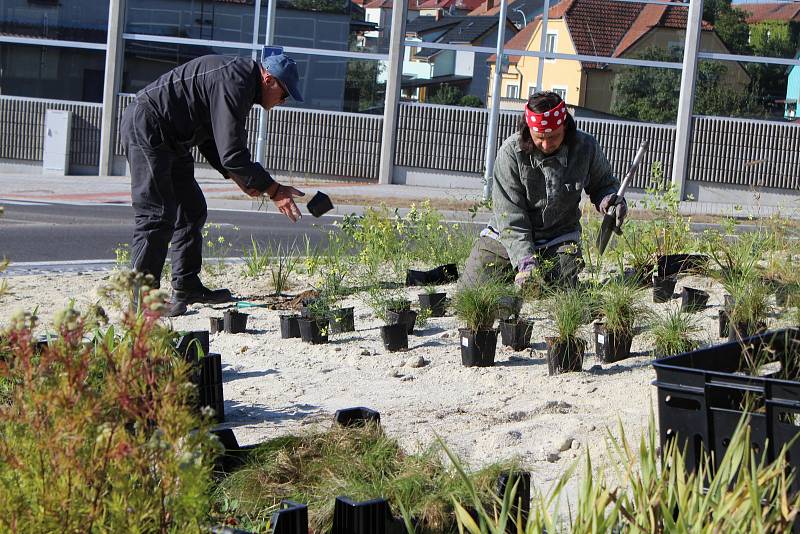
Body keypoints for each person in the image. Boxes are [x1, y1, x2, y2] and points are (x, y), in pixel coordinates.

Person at [120, 53, 305, 317]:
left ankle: (187, 286)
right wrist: (274, 190)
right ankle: (142, 301)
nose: (283, 101)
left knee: (192, 209)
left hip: (173, 138)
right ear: (269, 79)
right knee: (157, 215)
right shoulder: (237, 81)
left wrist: (238, 177)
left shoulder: (240, 81)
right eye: (284, 94)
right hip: (149, 127)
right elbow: (231, 152)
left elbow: (212, 139)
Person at [461, 91, 627, 290]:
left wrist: (609, 200)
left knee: (563, 287)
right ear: (528, 129)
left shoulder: (586, 147)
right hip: (506, 236)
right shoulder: (510, 153)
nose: (547, 145)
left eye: (554, 136)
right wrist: (525, 262)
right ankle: (515, 270)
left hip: (559, 238)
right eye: (540, 137)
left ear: (565, 127)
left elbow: (604, 184)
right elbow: (511, 217)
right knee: (471, 288)